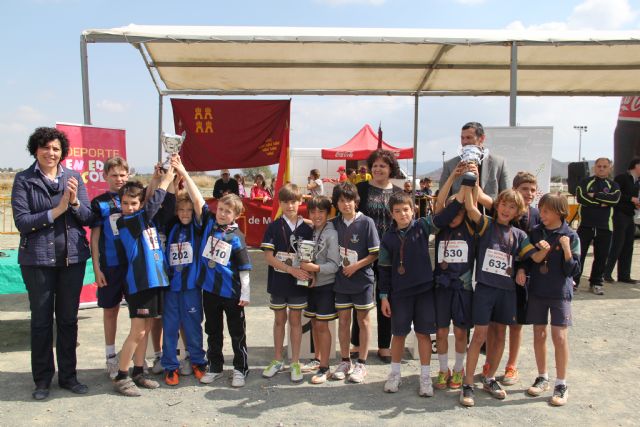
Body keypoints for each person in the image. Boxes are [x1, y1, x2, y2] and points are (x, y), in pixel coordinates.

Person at [12, 127, 93, 400]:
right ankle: (42, 380)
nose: (51, 152)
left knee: (68, 320)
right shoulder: (24, 180)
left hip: (72, 260)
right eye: (45, 147)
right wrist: (55, 211)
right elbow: (22, 222)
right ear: (36, 149)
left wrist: (72, 205)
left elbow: (88, 217)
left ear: (63, 153)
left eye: (56, 148)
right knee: (42, 322)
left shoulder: (73, 178)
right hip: (37, 262)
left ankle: (69, 377)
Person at [459, 188, 541, 407]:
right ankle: (468, 383)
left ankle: (489, 377)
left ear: (517, 212)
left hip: (507, 291)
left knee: (501, 335)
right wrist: (469, 182)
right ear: (497, 206)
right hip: (485, 288)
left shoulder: (520, 235)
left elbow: (534, 257)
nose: (506, 209)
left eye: (512, 207)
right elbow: (469, 207)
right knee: (480, 335)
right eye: (503, 204)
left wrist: (552, 246)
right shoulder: (486, 224)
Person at [379, 191, 461, 396]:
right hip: (399, 294)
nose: (402, 214)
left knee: (423, 334)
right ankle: (395, 374)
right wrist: (383, 296)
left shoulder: (423, 226)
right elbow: (384, 269)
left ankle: (425, 377)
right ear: (391, 214)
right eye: (397, 211)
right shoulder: (387, 237)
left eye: (406, 210)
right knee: (398, 335)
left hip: (424, 290)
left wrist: (461, 195)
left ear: (413, 210)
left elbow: (445, 216)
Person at [112, 167, 175, 397]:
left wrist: (157, 178)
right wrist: (166, 180)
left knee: (147, 328)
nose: (130, 207)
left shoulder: (145, 220)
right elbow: (151, 204)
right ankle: (121, 374)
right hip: (139, 283)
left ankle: (139, 371)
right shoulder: (126, 222)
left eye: (134, 203)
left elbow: (151, 201)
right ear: (121, 204)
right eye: (126, 203)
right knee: (137, 331)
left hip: (155, 280)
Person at [526, 193, 580, 407]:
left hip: (560, 292)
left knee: (559, 337)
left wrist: (566, 249)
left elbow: (574, 270)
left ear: (559, 211)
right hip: (538, 290)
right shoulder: (535, 232)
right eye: (540, 209)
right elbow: (527, 260)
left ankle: (561, 383)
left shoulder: (571, 235)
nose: (542, 214)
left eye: (546, 210)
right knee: (539, 334)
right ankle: (542, 377)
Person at [489, 172, 541, 386]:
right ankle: (490, 365)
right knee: (494, 324)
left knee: (516, 324)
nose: (528, 193)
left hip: (521, 278)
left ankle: (512, 366)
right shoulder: (503, 211)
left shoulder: (537, 215)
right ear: (514, 190)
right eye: (524, 189)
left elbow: (534, 249)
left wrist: (523, 269)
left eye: (532, 189)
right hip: (497, 275)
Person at [432, 168, 481, 391]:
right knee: (441, 331)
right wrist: (452, 177)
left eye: (457, 213)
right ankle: (444, 370)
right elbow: (440, 203)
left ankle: (459, 369)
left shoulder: (469, 226)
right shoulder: (441, 226)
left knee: (461, 331)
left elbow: (471, 206)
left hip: (462, 288)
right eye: (450, 213)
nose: (453, 218)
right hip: (441, 287)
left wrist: (469, 180)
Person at [351, 149, 402, 363]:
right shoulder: (360, 189)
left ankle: (384, 345)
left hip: (390, 253)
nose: (378, 169)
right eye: (375, 165)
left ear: (391, 168)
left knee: (386, 297)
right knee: (361, 297)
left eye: (382, 165)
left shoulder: (399, 193)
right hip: (364, 252)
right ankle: (356, 343)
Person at [160, 160, 208, 386]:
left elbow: (198, 203)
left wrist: (185, 173)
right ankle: (171, 366)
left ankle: (198, 361)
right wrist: (169, 175)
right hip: (171, 286)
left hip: (191, 287)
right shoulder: (172, 225)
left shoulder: (197, 228)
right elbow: (168, 202)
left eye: (189, 210)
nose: (186, 213)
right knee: (169, 327)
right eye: (182, 210)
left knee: (192, 325)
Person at [197, 193, 252, 387]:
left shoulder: (237, 237)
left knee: (236, 332)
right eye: (220, 209)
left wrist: (245, 293)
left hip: (232, 293)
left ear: (236, 215)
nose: (222, 214)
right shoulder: (210, 226)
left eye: (227, 211)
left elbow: (245, 268)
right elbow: (198, 201)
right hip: (210, 291)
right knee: (213, 330)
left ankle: (240, 368)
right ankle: (215, 367)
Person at [261, 184, 313, 382]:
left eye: (294, 201)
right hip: (279, 280)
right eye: (285, 202)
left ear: (300, 202)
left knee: (295, 321)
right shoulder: (274, 226)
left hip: (299, 283)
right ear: (280, 203)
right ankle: (277, 359)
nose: (290, 206)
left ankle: (295, 361)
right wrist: (291, 269)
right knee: (279, 320)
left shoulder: (308, 227)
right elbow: (268, 257)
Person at [330, 182, 379, 383]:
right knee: (343, 321)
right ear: (337, 203)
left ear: (355, 201)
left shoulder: (367, 222)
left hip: (362, 279)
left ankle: (362, 364)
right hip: (341, 280)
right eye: (341, 201)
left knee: (364, 321)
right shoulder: (333, 224)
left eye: (349, 200)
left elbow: (375, 254)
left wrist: (355, 266)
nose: (345, 204)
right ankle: (344, 361)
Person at [89, 156, 130, 379]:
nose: (119, 179)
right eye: (114, 175)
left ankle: (142, 358)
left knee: (142, 314)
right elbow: (94, 239)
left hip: (134, 266)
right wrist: (97, 268)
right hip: (111, 266)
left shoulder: (135, 197)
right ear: (105, 177)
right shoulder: (99, 203)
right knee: (110, 310)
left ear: (128, 175)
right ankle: (111, 356)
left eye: (122, 175)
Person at [299, 195, 340, 384]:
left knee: (323, 325)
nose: (316, 215)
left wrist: (314, 269)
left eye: (321, 212)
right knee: (315, 323)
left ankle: (325, 367)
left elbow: (335, 265)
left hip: (327, 285)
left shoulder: (332, 233)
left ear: (328, 213)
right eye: (313, 212)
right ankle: (317, 359)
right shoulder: (311, 230)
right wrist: (311, 273)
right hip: (312, 284)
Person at [574, 158, 621, 295]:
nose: (601, 168)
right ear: (594, 167)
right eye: (599, 166)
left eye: (604, 166)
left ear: (609, 168)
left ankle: (596, 283)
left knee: (601, 257)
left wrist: (594, 196)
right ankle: (574, 282)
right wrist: (601, 203)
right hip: (585, 226)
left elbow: (615, 199)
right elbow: (581, 197)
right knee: (579, 255)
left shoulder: (613, 185)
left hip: (605, 227)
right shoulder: (585, 182)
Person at [439, 122, 509, 202]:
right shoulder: (450, 165)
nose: (464, 142)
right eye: (462, 138)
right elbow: (442, 199)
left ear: (482, 138)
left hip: (487, 213)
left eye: (469, 138)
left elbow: (507, 198)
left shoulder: (498, 164)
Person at [604, 157, 640, 284]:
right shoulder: (622, 178)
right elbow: (616, 195)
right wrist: (631, 199)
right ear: (636, 166)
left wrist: (635, 203)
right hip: (619, 215)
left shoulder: (637, 181)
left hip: (630, 215)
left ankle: (624, 275)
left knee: (628, 245)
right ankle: (606, 273)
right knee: (617, 244)